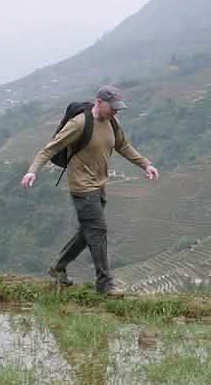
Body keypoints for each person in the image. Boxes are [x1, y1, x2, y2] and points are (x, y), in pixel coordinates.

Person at [21, 85, 158, 295]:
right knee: (98, 231)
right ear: (99, 102)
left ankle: (58, 267)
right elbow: (51, 148)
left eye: (118, 108)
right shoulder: (79, 124)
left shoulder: (113, 122)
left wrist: (146, 164)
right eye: (112, 107)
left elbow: (123, 146)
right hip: (82, 187)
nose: (116, 111)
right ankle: (105, 284)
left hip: (100, 184)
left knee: (87, 233)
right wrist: (33, 171)